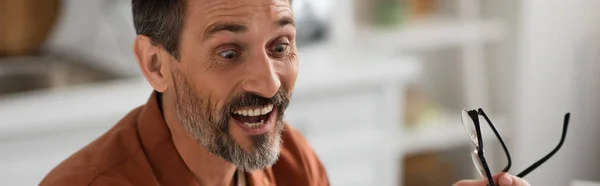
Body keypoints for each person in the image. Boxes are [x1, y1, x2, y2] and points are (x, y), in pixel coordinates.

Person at [39, 0, 530, 185]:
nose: (270, 82)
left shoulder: (294, 162)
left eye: (281, 45)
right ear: (155, 64)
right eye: (229, 52)